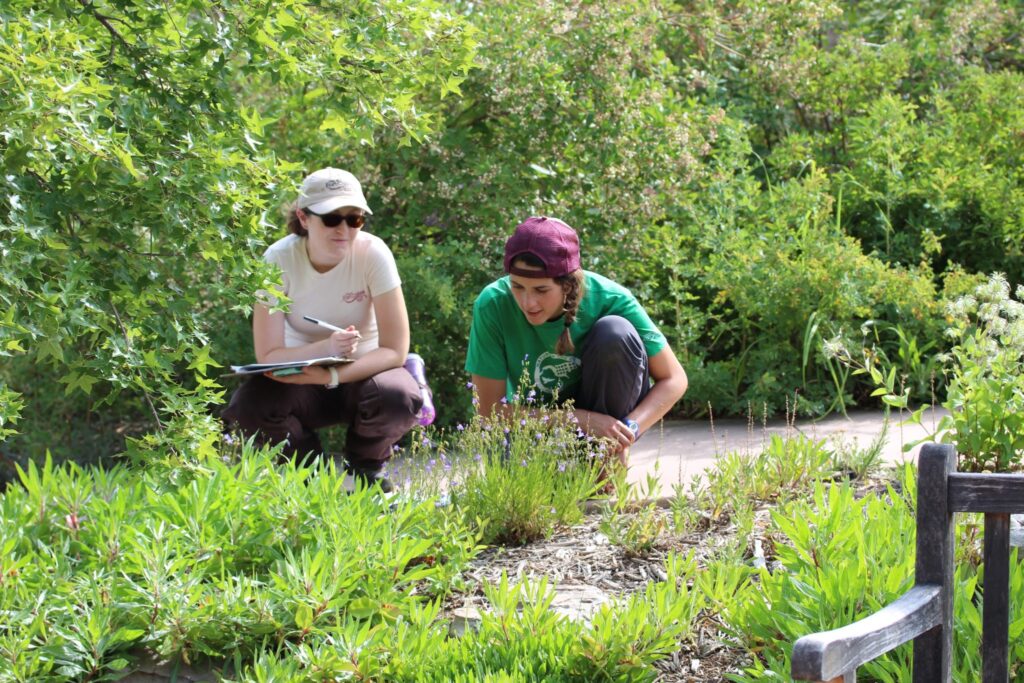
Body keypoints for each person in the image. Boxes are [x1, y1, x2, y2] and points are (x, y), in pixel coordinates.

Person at [223, 168, 422, 491]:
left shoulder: (373, 253)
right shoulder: (277, 259)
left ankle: (365, 473)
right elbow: (268, 354)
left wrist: (332, 375)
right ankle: (310, 477)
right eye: (331, 218)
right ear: (304, 218)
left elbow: (395, 349)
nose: (343, 229)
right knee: (250, 406)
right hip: (302, 378)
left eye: (354, 219)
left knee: (397, 396)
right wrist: (324, 351)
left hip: (364, 373)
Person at [465, 216, 688, 461]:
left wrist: (626, 431)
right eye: (517, 286)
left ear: (569, 285)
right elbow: (489, 412)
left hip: (603, 426)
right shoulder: (492, 304)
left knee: (615, 331)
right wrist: (580, 420)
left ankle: (605, 462)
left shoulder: (611, 298)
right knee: (522, 494)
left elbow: (674, 379)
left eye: (541, 290)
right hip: (528, 430)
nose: (527, 302)